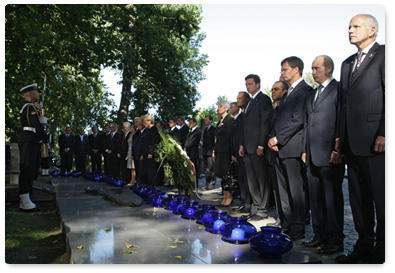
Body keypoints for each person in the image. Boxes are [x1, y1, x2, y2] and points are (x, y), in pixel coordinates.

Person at [335, 14, 385, 264]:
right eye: (349, 27)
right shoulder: (346, 64)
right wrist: (339, 141)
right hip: (352, 145)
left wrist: (385, 132)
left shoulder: (386, 55)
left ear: (372, 30)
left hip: (378, 142)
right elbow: (343, 105)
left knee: (383, 199)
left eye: (356, 26)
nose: (350, 30)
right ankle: (363, 247)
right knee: (358, 200)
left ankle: (384, 250)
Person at [301, 55, 345, 254]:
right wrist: (304, 149)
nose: (313, 72)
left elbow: (341, 120)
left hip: (329, 154)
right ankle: (319, 236)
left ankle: (335, 240)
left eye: (317, 68)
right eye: (312, 68)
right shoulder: (312, 94)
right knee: (315, 198)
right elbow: (306, 124)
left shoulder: (339, 90)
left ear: (329, 68)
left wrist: (338, 147)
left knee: (331, 198)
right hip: (311, 155)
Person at [268, 57, 312, 240]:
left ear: (296, 70)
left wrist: (278, 138)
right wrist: (273, 140)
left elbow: (298, 119)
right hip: (280, 149)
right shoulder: (287, 94)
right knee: (282, 190)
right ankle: (286, 223)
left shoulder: (305, 91)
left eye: (285, 69)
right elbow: (278, 119)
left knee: (296, 191)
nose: (282, 73)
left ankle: (298, 226)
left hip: (293, 147)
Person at [239, 74, 273, 221]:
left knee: (261, 179)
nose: (248, 87)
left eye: (250, 84)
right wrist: (242, 144)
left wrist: (261, 144)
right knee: (251, 180)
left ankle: (263, 209)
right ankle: (256, 207)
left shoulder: (264, 99)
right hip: (247, 147)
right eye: (246, 84)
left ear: (258, 85)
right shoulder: (248, 103)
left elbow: (265, 123)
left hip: (257, 146)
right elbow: (244, 126)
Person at [18, 83, 48, 211]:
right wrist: (43, 128)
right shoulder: (29, 107)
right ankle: (24, 201)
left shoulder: (31, 107)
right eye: (36, 92)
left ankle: (27, 198)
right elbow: (36, 124)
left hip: (32, 139)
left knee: (33, 169)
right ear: (29, 94)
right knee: (28, 168)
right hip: (29, 138)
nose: (38, 94)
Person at [266, 81, 288, 228]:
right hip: (274, 151)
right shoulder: (276, 109)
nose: (273, 91)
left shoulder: (285, 107)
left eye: (276, 89)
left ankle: (291, 220)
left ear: (285, 91)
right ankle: (282, 217)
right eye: (272, 89)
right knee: (277, 189)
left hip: (286, 149)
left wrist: (277, 140)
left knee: (288, 189)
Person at [214, 101, 236, 207]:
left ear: (226, 108)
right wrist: (215, 151)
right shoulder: (220, 121)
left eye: (221, 106)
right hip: (220, 152)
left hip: (227, 152)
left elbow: (232, 138)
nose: (219, 108)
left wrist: (233, 153)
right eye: (218, 106)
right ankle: (225, 196)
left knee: (227, 175)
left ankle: (229, 197)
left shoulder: (230, 120)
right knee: (222, 175)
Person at [232, 91, 251, 213]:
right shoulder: (242, 115)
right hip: (238, 151)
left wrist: (242, 146)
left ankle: (249, 203)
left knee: (248, 180)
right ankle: (245, 202)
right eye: (237, 98)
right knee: (242, 179)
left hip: (246, 150)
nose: (237, 100)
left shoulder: (245, 115)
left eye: (240, 98)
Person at [140, 115, 161, 186]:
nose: (144, 124)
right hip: (145, 152)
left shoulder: (154, 129)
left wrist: (151, 152)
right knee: (145, 170)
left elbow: (154, 141)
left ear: (149, 121)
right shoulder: (147, 130)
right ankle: (146, 184)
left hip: (150, 153)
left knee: (150, 170)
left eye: (145, 122)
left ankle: (151, 185)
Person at [201, 115, 216, 191]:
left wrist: (214, 151)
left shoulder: (214, 129)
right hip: (205, 151)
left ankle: (211, 184)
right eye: (204, 120)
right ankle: (207, 184)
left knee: (211, 169)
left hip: (211, 152)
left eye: (206, 120)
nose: (205, 121)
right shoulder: (206, 129)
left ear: (211, 120)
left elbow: (215, 141)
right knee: (206, 169)